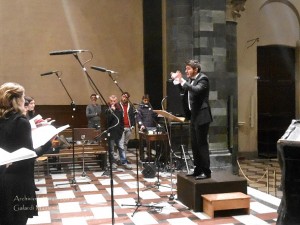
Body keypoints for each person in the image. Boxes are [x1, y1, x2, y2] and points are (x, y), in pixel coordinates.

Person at [0, 82, 54, 225]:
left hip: (2, 177)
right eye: (23, 97)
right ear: (17, 99)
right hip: (19, 181)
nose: (25, 100)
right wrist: (48, 142)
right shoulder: (20, 122)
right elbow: (28, 156)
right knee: (18, 220)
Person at [171, 59, 213, 180]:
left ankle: (206, 171)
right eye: (186, 68)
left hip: (202, 116)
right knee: (194, 145)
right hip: (194, 116)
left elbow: (196, 90)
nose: (186, 71)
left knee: (202, 144)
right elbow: (184, 92)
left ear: (196, 69)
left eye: (188, 68)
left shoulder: (203, 79)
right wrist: (179, 82)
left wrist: (182, 80)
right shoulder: (190, 80)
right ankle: (197, 169)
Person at [105, 95, 131, 170]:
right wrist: (112, 111)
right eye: (111, 101)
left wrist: (122, 129)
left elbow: (122, 121)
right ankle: (112, 163)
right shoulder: (107, 110)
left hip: (119, 132)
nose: (113, 102)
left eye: (114, 101)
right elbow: (107, 121)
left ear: (116, 101)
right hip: (111, 132)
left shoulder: (119, 109)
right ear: (109, 101)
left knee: (121, 147)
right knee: (112, 149)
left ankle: (124, 162)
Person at [119, 92, 135, 168]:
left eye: (126, 97)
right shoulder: (118, 106)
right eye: (123, 96)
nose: (124, 98)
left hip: (129, 127)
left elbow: (132, 116)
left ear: (128, 98)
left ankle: (124, 158)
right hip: (121, 127)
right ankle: (122, 159)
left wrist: (133, 125)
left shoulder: (130, 106)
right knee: (121, 144)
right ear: (121, 97)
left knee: (125, 144)